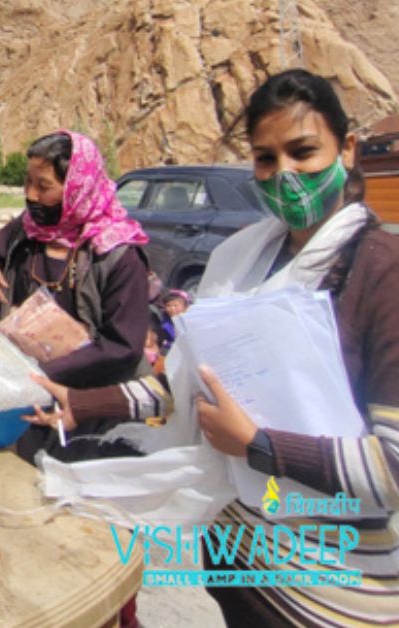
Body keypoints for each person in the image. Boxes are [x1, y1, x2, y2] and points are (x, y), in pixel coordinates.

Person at [30, 69, 399, 626]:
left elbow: (392, 468)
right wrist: (79, 403)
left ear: (347, 149)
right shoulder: (243, 263)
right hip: (244, 565)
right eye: (266, 159)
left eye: (303, 152)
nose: (286, 175)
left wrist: (257, 444)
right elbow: (184, 386)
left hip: (334, 591)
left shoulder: (381, 274)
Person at [0, 130, 151, 462]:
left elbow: (122, 347)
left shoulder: (118, 254)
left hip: (92, 405)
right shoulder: (26, 229)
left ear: (76, 189)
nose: (31, 196)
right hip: (31, 395)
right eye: (27, 183)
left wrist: (42, 372)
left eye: (44, 187)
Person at [157, 288, 189, 353]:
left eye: (175, 305)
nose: (172, 309)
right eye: (168, 305)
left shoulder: (191, 322)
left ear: (185, 307)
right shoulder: (163, 324)